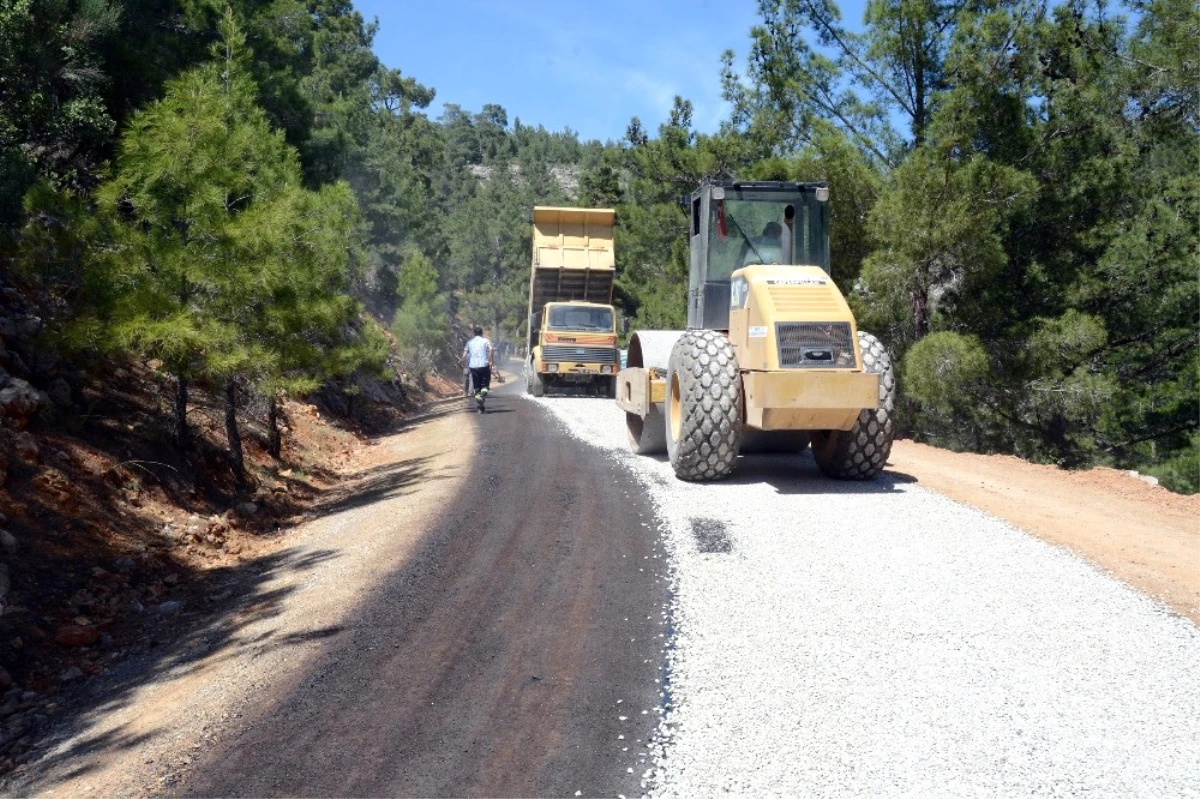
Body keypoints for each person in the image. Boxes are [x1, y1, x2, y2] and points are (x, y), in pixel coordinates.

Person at [460, 325, 494, 411]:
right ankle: (483, 395)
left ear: (474, 333)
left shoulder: (469, 342)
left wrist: (463, 365)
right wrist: (490, 360)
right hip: (484, 365)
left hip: (473, 367)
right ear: (482, 333)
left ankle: (480, 404)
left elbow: (464, 356)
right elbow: (491, 349)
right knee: (485, 384)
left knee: (476, 386)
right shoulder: (486, 340)